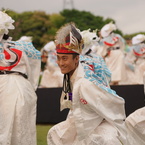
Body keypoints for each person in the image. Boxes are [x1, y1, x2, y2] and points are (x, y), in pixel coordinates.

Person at [47, 22, 127, 145]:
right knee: (55, 134)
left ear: (77, 59)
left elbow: (114, 102)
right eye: (58, 58)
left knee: (103, 140)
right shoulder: (71, 76)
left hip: (99, 121)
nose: (60, 63)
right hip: (81, 119)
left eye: (64, 58)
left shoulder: (86, 83)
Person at [0, 11, 41, 145]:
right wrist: (31, 86)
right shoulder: (24, 47)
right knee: (24, 128)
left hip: (4, 86)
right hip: (24, 87)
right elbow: (35, 67)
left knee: (4, 126)